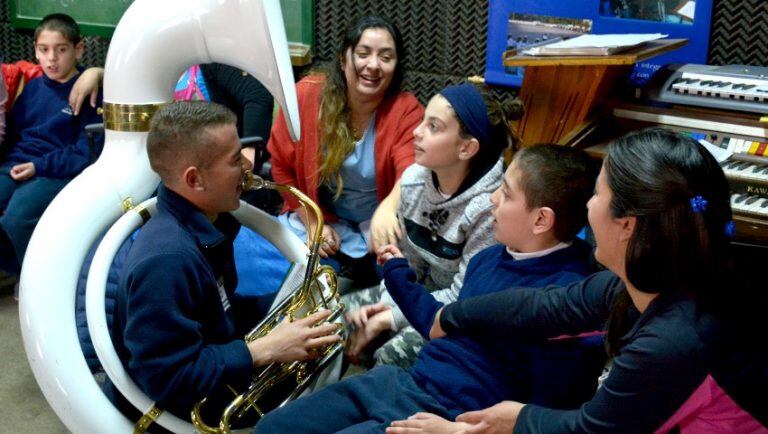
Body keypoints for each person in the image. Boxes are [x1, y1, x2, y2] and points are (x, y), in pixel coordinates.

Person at [389, 128, 767, 434]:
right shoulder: (649, 279)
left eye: (598, 194)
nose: (587, 206)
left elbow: (591, 429)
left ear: (627, 226)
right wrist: (450, 316)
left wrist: (512, 420)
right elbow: (543, 306)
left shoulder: (672, 340)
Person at [254, 144, 605, 434]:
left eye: (506, 194)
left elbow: (545, 417)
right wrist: (396, 273)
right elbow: (439, 325)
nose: (492, 199)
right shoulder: (489, 259)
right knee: (272, 428)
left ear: (541, 219)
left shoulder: (572, 300)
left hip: (449, 418)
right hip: (405, 383)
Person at [106, 101, 341, 424]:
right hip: (180, 412)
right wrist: (264, 350)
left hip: (215, 371)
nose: (248, 168)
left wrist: (286, 308)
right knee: (333, 411)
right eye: (234, 160)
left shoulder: (208, 224)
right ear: (195, 180)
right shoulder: (166, 263)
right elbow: (169, 378)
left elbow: (217, 314)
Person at [342, 82, 523, 369]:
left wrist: (391, 318)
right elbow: (402, 265)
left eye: (434, 127)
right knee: (334, 320)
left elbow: (463, 298)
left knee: (390, 356)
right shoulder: (414, 180)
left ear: (466, 148)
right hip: (417, 296)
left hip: (458, 314)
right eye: (423, 120)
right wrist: (392, 305)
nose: (416, 131)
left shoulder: (491, 209)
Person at [267, 15, 424, 286]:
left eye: (386, 57)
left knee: (398, 289)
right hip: (319, 218)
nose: (373, 65)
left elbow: (413, 169)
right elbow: (281, 167)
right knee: (297, 285)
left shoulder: (406, 109)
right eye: (363, 54)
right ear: (343, 60)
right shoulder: (306, 95)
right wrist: (313, 223)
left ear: (396, 68)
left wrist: (388, 209)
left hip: (377, 227)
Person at [0, 13, 104, 278]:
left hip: (57, 171)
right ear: (35, 50)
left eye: (61, 50)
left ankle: (34, 281)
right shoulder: (32, 88)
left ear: (78, 50)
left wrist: (37, 167)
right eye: (44, 50)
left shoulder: (91, 92)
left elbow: (85, 152)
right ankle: (13, 268)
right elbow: (15, 135)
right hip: (19, 165)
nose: (52, 59)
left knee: (17, 217)